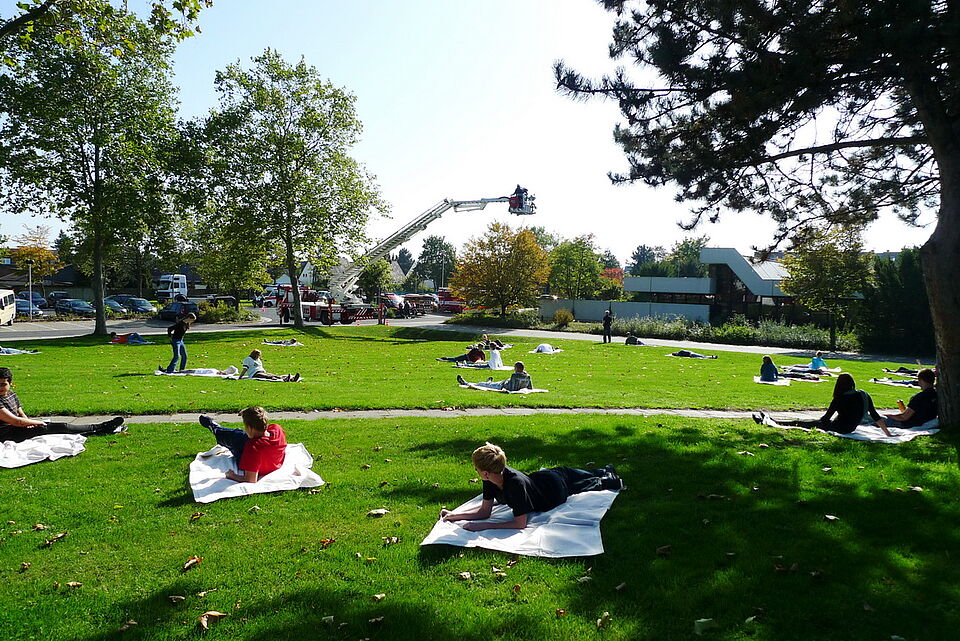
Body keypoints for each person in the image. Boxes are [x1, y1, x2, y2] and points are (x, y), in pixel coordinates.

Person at [438, 442, 623, 531]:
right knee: (567, 473)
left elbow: (520, 523)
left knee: (575, 483)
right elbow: (484, 511)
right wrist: (454, 515)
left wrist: (484, 527)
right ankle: (603, 472)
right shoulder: (490, 480)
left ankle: (607, 480)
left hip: (551, 492)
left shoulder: (514, 485)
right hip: (540, 479)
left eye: (477, 469)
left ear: (485, 472)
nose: (476, 472)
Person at [0, 367, 124, 442]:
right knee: (57, 427)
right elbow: (16, 421)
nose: (0, 388)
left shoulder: (11, 394)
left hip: (18, 428)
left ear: (11, 383)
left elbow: (20, 413)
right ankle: (102, 427)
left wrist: (30, 424)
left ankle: (101, 428)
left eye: (3, 384)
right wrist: (37, 423)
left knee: (56, 428)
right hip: (8, 435)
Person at [755, 373, 891, 436]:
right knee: (807, 422)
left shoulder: (839, 398)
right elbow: (875, 415)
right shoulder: (863, 394)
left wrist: (818, 423)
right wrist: (887, 434)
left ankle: (770, 421)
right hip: (851, 427)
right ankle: (769, 419)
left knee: (802, 423)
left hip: (840, 428)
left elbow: (826, 418)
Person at [198, 407, 286, 483]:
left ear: (250, 428)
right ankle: (218, 430)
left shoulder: (253, 447)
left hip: (254, 462)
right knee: (241, 435)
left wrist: (231, 475)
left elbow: (250, 480)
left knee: (235, 437)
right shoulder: (277, 429)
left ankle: (215, 429)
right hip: (272, 462)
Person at [457, 361, 532, 391]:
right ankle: (489, 382)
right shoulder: (527, 376)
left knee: (481, 384)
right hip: (503, 382)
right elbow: (530, 388)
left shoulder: (514, 375)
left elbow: (511, 389)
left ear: (516, 368)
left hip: (501, 385)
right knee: (489, 384)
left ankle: (466, 383)